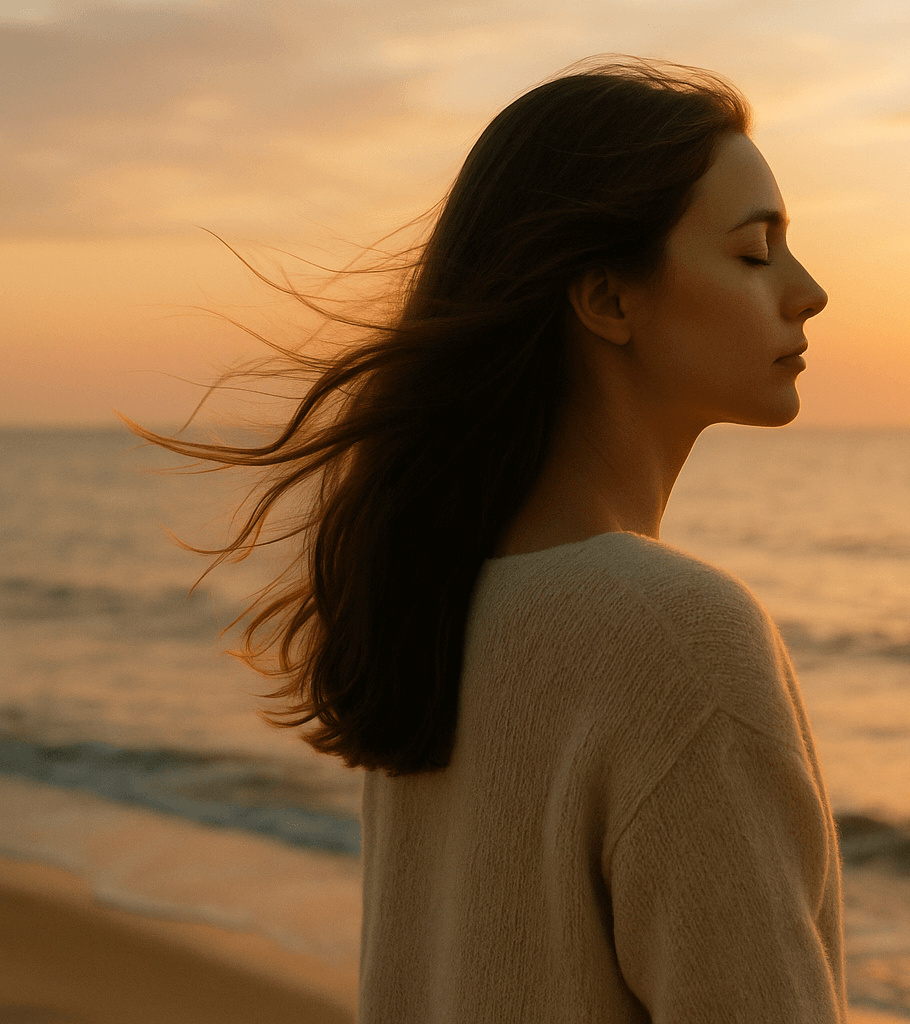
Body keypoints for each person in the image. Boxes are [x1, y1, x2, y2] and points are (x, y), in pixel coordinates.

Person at [128, 56, 844, 1021]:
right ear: (607, 298)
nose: (807, 291)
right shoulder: (673, 634)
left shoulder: (442, 605)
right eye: (756, 252)